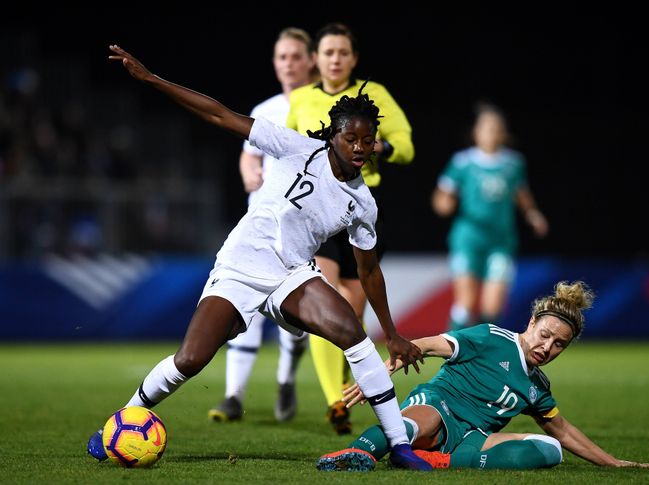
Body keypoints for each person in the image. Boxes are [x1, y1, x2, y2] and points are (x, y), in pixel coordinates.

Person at [87, 44, 432, 471]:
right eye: (351, 139)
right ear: (333, 136)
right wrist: (153, 80)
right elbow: (219, 114)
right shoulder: (294, 147)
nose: (360, 148)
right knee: (190, 360)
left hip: (291, 275)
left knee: (352, 334)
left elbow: (369, 270)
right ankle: (119, 423)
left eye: (367, 140)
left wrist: (393, 334)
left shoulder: (362, 202)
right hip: (240, 268)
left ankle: (399, 446)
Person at [317, 281, 649, 471]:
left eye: (559, 344)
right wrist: (383, 370)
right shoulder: (492, 338)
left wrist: (615, 463)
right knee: (424, 420)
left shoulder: (537, 388)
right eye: (545, 334)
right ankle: (358, 453)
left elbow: (563, 431)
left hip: (471, 438)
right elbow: (430, 345)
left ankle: (438, 461)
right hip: (438, 406)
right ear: (532, 323)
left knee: (550, 449)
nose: (547, 346)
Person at [287, 22, 415, 435]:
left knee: (351, 310)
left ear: (353, 58)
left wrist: (376, 146)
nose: (335, 59)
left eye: (343, 52)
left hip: (360, 209)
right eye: (328, 52)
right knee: (327, 301)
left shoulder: (374, 95)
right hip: (317, 214)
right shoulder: (302, 98)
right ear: (316, 59)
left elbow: (406, 146)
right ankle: (334, 402)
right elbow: (289, 149)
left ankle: (341, 383)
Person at [207, 27, 315, 424]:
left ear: (311, 61)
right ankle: (233, 396)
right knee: (241, 302)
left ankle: (285, 381)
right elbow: (248, 152)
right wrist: (248, 171)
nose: (288, 63)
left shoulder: (322, 109)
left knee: (296, 318)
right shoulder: (266, 108)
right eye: (282, 57)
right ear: (275, 63)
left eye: (295, 56)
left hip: (303, 230)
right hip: (260, 224)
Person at [432, 103, 549, 331]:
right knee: (465, 303)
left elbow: (521, 194)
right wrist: (443, 204)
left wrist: (533, 215)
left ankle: (481, 355)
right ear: (476, 133)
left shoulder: (513, 163)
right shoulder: (462, 162)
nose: (491, 133)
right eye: (486, 128)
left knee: (493, 307)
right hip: (468, 238)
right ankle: (451, 352)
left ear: (503, 133)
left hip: (501, 240)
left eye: (496, 128)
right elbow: (442, 194)